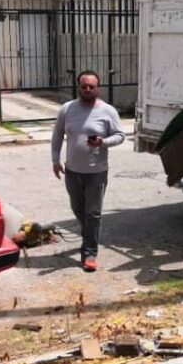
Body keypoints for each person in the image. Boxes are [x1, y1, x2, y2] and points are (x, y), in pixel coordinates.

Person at [51, 71, 125, 272]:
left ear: (97, 88)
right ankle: (89, 237)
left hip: (97, 172)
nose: (88, 90)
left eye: (92, 86)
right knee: (78, 209)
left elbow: (120, 135)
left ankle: (89, 253)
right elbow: (57, 135)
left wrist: (103, 142)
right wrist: (55, 160)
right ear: (78, 87)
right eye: (84, 86)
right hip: (72, 172)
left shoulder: (108, 111)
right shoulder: (67, 109)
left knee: (93, 213)